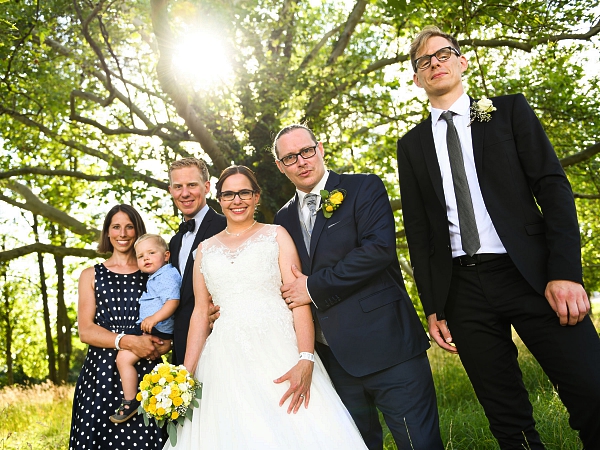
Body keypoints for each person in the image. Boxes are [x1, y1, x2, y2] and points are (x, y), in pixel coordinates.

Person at [396, 26, 600, 449]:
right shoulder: (411, 145)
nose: (434, 63)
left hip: (533, 273)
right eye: (423, 61)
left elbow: (553, 188)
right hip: (462, 289)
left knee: (592, 388)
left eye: (443, 54)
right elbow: (419, 232)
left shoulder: (506, 112)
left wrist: (565, 271)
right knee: (506, 418)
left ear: (462, 61)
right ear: (416, 79)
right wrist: (433, 305)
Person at [165, 165, 368, 449]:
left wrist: (306, 357)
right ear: (219, 199)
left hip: (279, 349)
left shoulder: (276, 235)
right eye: (229, 194)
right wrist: (185, 372)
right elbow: (200, 313)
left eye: (244, 192)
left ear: (256, 196)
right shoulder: (205, 250)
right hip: (223, 357)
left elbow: (298, 300)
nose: (237, 200)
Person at [272, 124, 443, 450]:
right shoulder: (282, 221)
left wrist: (313, 287)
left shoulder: (363, 187)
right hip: (332, 362)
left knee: (418, 443)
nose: (302, 161)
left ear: (319, 148)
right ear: (281, 166)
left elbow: (377, 251)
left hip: (389, 348)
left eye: (306, 151)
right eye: (290, 157)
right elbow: (283, 282)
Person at [69, 205, 170, 449]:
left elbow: (173, 313)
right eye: (116, 227)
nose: (122, 233)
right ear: (107, 232)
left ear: (138, 231)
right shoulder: (91, 275)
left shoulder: (153, 271)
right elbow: (86, 331)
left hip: (145, 368)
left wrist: (165, 344)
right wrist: (127, 341)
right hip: (100, 373)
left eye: (129, 226)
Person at [110, 233, 182, 423]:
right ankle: (132, 398)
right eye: (141, 256)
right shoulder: (156, 276)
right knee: (123, 358)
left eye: (151, 253)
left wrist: (153, 318)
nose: (146, 258)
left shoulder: (166, 275)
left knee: (123, 359)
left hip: (157, 329)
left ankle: (130, 400)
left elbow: (173, 301)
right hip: (152, 328)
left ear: (166, 256)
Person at [168, 158, 226, 364]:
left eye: (192, 185)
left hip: (220, 344)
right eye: (178, 187)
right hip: (183, 347)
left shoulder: (225, 227)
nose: (185, 193)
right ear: (171, 190)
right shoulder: (174, 242)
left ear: (207, 187)